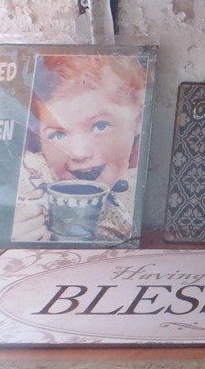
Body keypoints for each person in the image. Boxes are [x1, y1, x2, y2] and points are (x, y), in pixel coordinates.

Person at [11, 53, 148, 243]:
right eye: (58, 135)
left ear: (138, 119)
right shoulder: (24, 180)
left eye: (100, 126)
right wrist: (11, 235)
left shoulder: (146, 186)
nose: (79, 152)